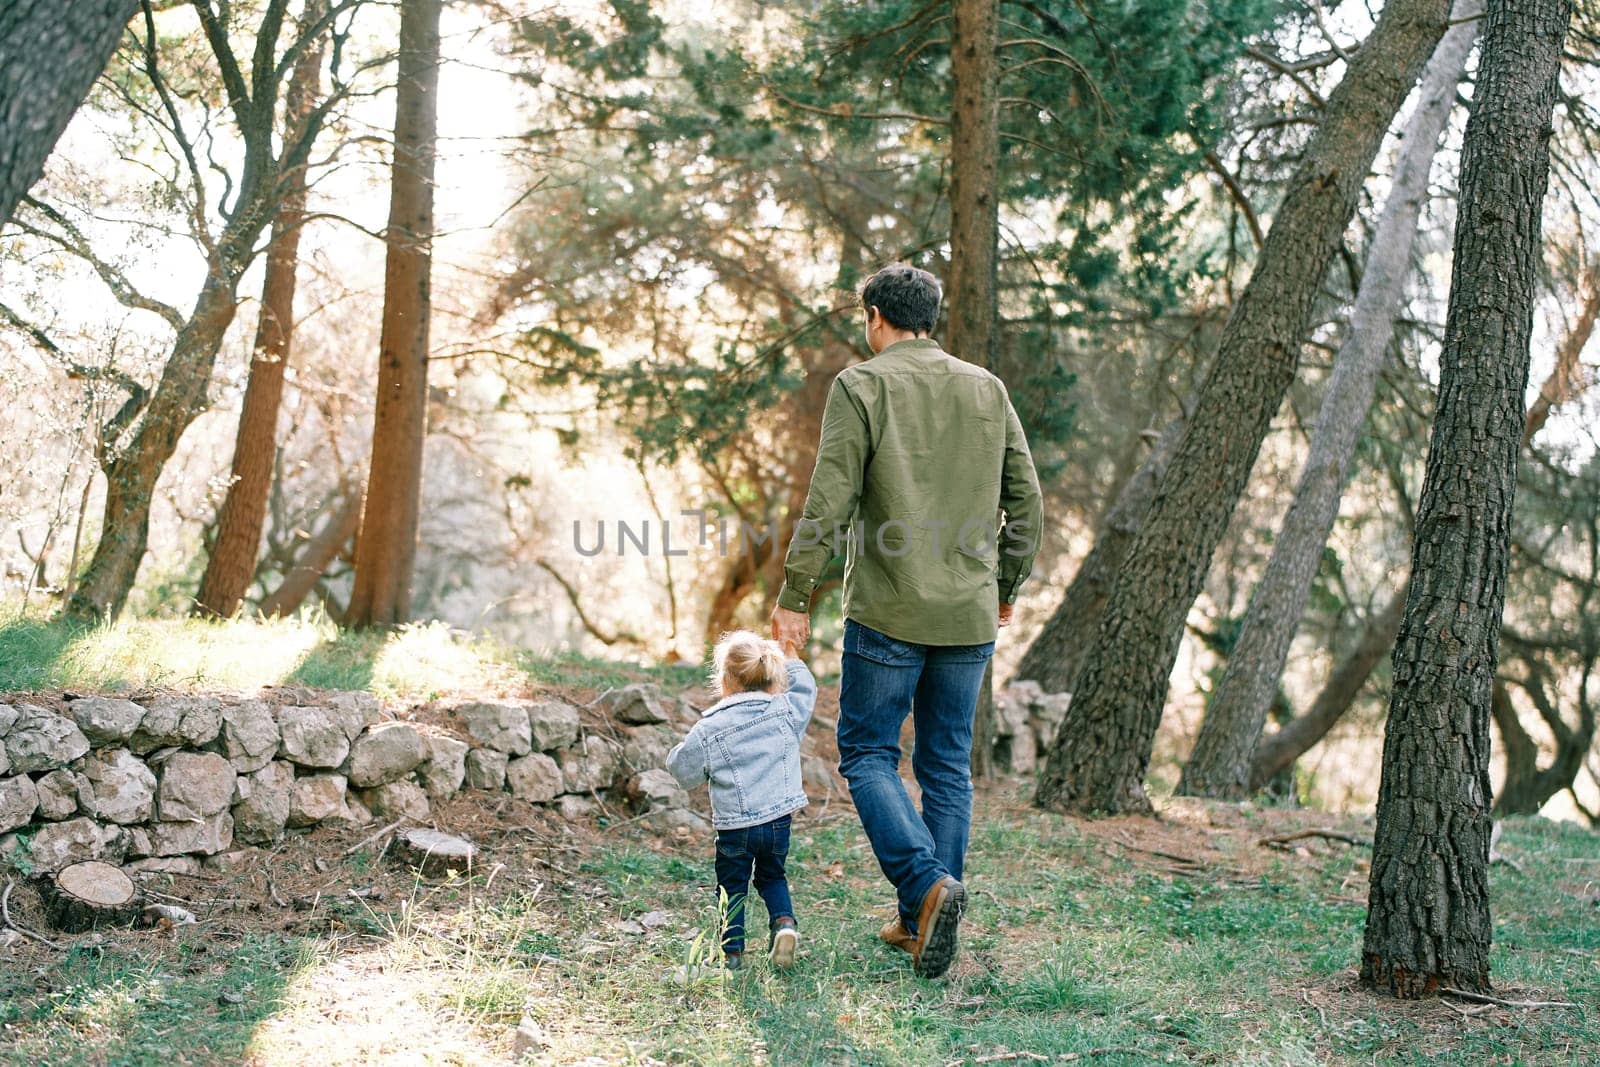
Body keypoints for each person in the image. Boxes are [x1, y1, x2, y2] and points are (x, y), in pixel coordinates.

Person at [770, 263, 1043, 979]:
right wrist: (1005, 583)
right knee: (947, 765)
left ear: (875, 318)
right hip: (967, 613)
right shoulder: (987, 389)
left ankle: (924, 892)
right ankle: (925, 916)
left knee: (865, 751)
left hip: (889, 608)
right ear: (931, 317)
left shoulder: (862, 384)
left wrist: (796, 592)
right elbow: (1029, 504)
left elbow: (829, 498)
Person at [666, 630, 817, 971]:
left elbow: (683, 772)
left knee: (732, 887)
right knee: (772, 877)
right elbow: (806, 689)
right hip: (779, 822)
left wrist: (677, 753)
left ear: (724, 680)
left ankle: (730, 953)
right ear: (772, 674)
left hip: (736, 827)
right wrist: (791, 655)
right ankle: (784, 924)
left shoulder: (710, 728)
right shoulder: (786, 711)